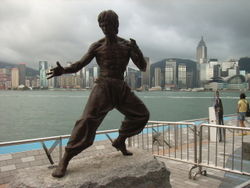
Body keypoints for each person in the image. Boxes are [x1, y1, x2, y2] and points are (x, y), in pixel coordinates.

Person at [46, 10, 150, 178]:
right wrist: (63, 70)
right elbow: (79, 65)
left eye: (108, 24)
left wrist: (136, 49)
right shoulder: (97, 46)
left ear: (116, 25)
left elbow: (143, 67)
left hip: (120, 87)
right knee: (86, 121)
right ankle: (65, 159)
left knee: (142, 115)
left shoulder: (127, 45)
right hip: (103, 87)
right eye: (101, 25)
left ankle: (120, 140)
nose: (104, 28)